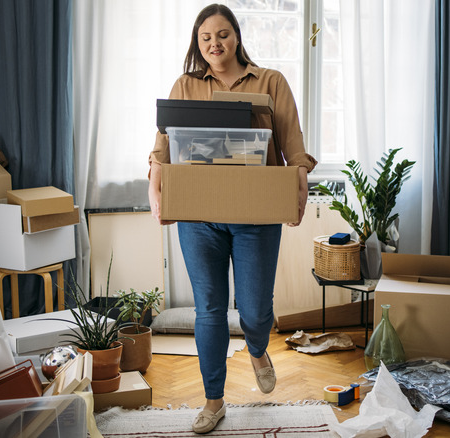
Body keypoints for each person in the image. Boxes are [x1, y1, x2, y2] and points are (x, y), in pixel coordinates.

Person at [147, 4, 316, 434]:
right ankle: (213, 401)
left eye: (222, 35)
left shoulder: (270, 82)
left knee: (256, 311)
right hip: (199, 216)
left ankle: (257, 347)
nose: (214, 44)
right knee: (209, 309)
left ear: (236, 37)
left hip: (255, 214)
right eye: (205, 38)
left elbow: (293, 145)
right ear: (197, 43)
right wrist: (156, 190)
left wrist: (298, 188)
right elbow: (161, 151)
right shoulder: (184, 86)